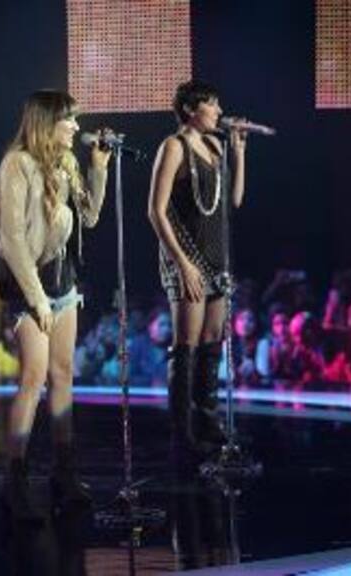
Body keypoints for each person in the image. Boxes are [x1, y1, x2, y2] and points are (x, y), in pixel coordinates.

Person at [0, 89, 110, 520]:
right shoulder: (17, 163)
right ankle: (15, 480)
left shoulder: (67, 162)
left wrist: (99, 170)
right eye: (69, 119)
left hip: (64, 282)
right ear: (47, 122)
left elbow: (90, 217)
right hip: (29, 286)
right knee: (33, 378)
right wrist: (37, 299)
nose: (76, 127)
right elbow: (12, 239)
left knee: (63, 375)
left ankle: (64, 473)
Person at [147, 80, 247, 462]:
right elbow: (155, 210)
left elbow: (233, 201)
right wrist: (182, 262)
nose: (219, 112)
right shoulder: (174, 146)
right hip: (187, 257)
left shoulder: (216, 147)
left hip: (217, 258)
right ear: (191, 109)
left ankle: (208, 421)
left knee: (211, 342)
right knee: (185, 345)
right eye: (212, 104)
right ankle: (182, 433)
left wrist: (239, 153)